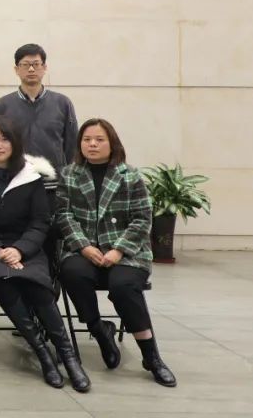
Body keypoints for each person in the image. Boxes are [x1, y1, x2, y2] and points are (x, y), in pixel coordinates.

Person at [0, 118, 90, 392]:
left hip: (26, 249)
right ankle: (43, 354)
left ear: (15, 143)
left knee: (38, 287)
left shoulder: (31, 175)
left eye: (4, 139)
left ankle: (68, 356)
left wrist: (19, 249)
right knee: (6, 282)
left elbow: (40, 221)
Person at [56, 118, 177, 387]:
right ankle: (100, 330)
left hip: (127, 253)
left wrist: (119, 250)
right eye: (87, 139)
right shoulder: (69, 174)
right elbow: (63, 215)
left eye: (99, 139)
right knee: (71, 273)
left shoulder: (130, 175)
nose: (92, 144)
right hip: (84, 249)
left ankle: (151, 357)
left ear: (112, 143)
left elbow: (142, 219)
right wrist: (84, 246)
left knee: (123, 286)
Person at [0, 43, 78, 180]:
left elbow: (72, 145)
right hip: (13, 180)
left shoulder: (62, 103)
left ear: (44, 67)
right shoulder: (2, 105)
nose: (31, 69)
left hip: (54, 180)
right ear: (16, 69)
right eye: (25, 65)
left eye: (36, 64)